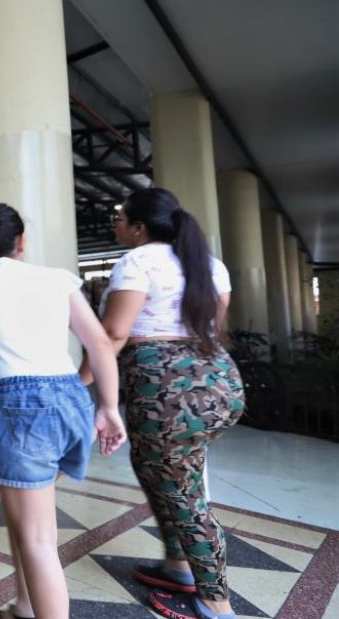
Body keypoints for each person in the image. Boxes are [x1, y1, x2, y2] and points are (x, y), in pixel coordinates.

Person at [0, 203, 125, 619]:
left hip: (21, 408)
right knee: (25, 520)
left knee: (37, 538)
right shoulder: (59, 280)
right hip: (70, 399)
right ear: (21, 242)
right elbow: (101, 343)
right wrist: (108, 407)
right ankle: (25, 606)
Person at [88, 188, 244, 619]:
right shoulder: (210, 265)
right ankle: (178, 566)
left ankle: (214, 601)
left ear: (139, 228)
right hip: (219, 383)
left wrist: (77, 382)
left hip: (167, 393)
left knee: (183, 494)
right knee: (156, 471)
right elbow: (213, 326)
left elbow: (114, 335)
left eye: (120, 218)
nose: (115, 225)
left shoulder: (137, 262)